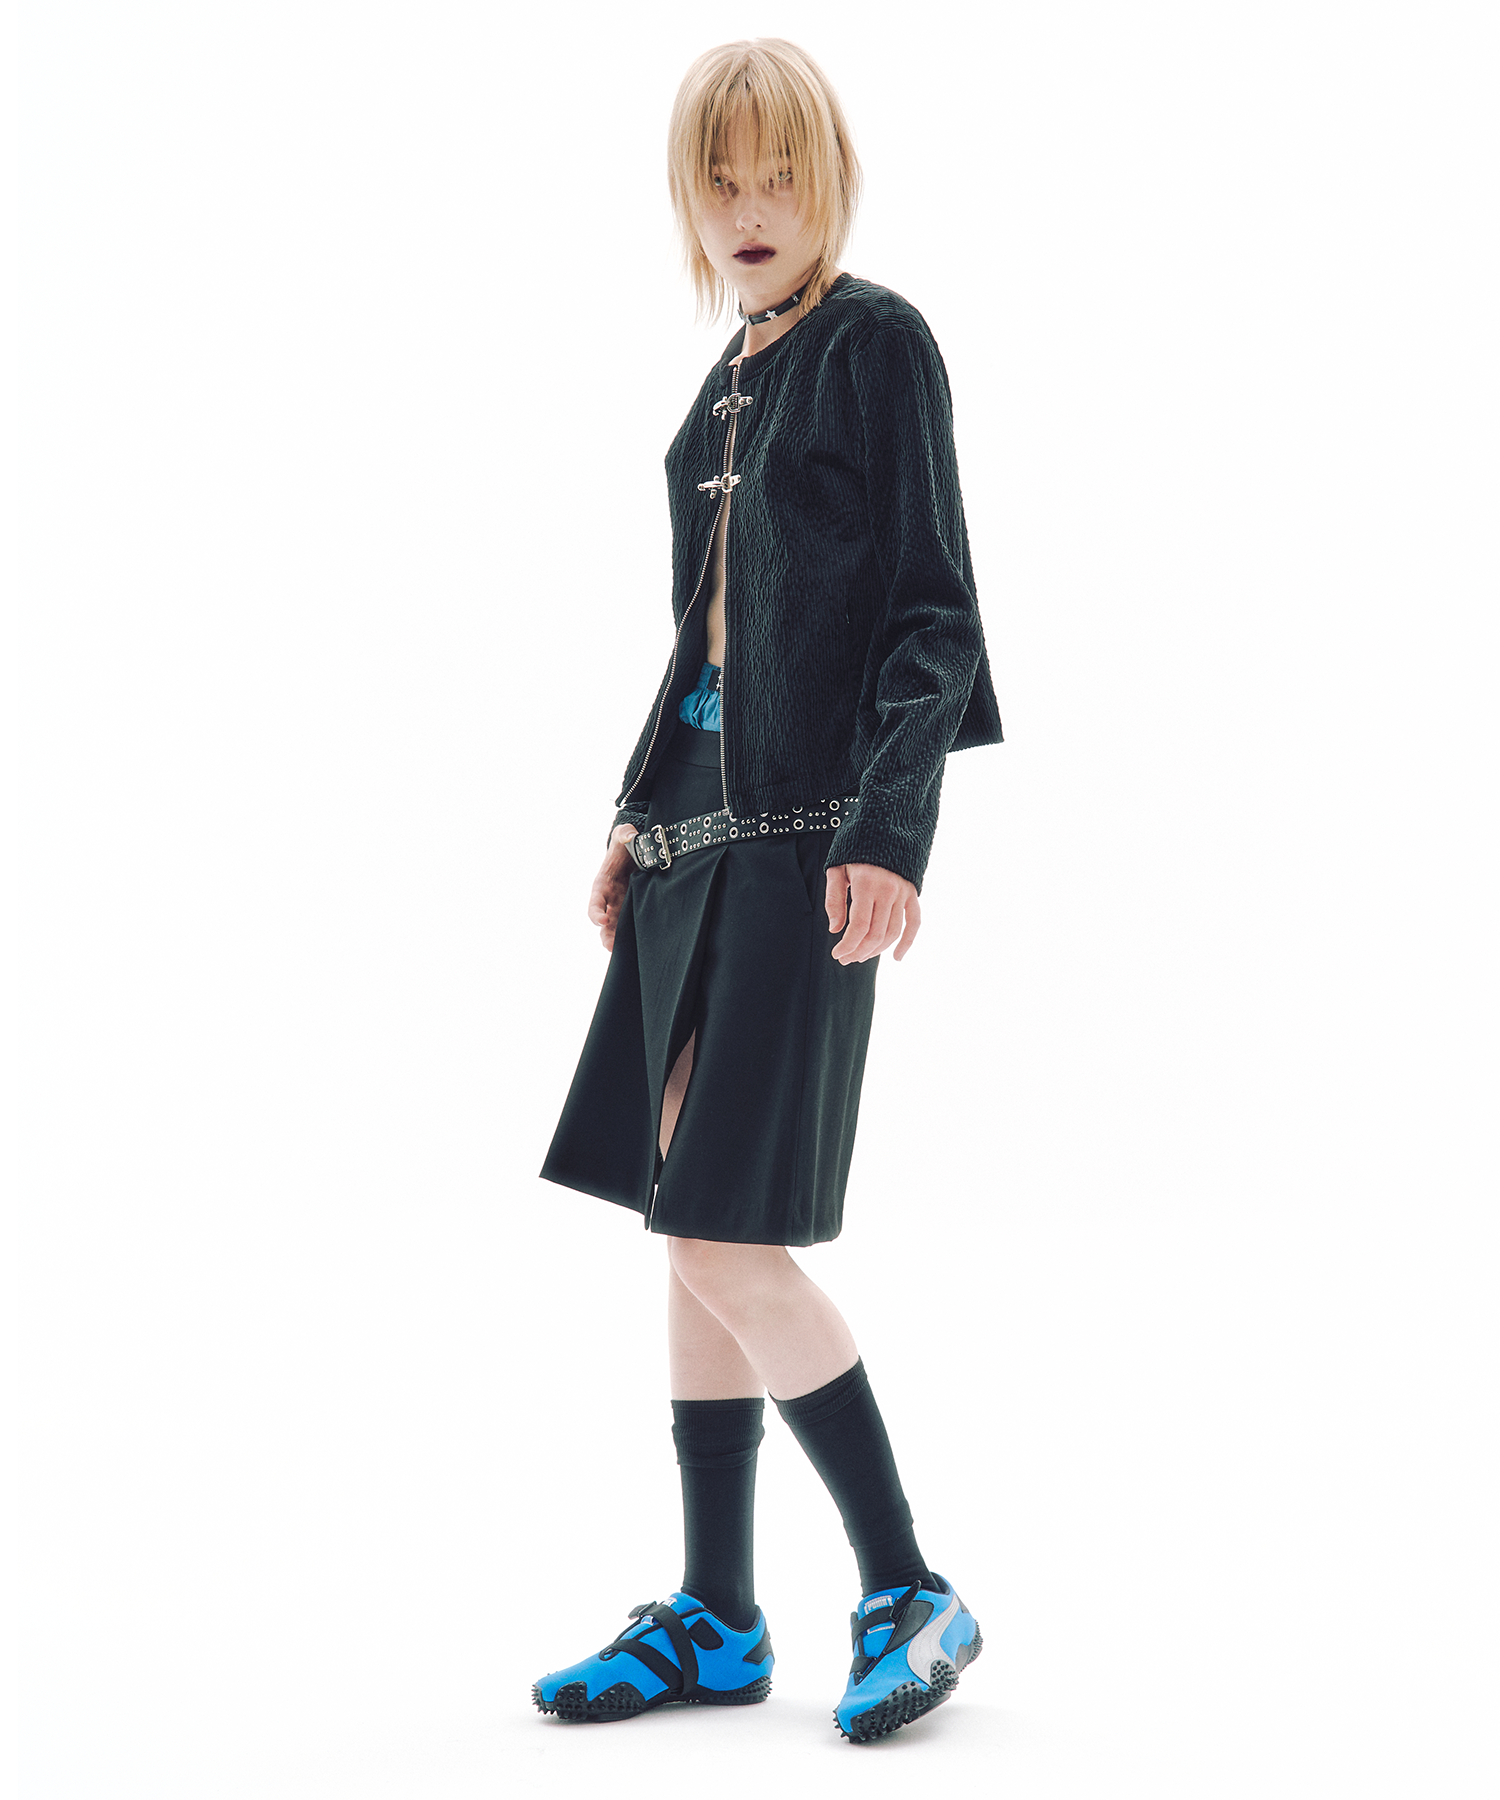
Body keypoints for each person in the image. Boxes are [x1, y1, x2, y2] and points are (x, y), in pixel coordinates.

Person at [533, 38, 1002, 1744]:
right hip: (691, 847)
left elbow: (936, 616)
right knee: (689, 1227)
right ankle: (719, 1615)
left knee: (732, 1231)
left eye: (778, 175)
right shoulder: (724, 384)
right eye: (720, 180)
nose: (749, 207)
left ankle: (905, 1584)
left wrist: (891, 829)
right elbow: (707, 635)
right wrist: (634, 813)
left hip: (808, 846)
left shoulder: (876, 346)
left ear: (829, 180)